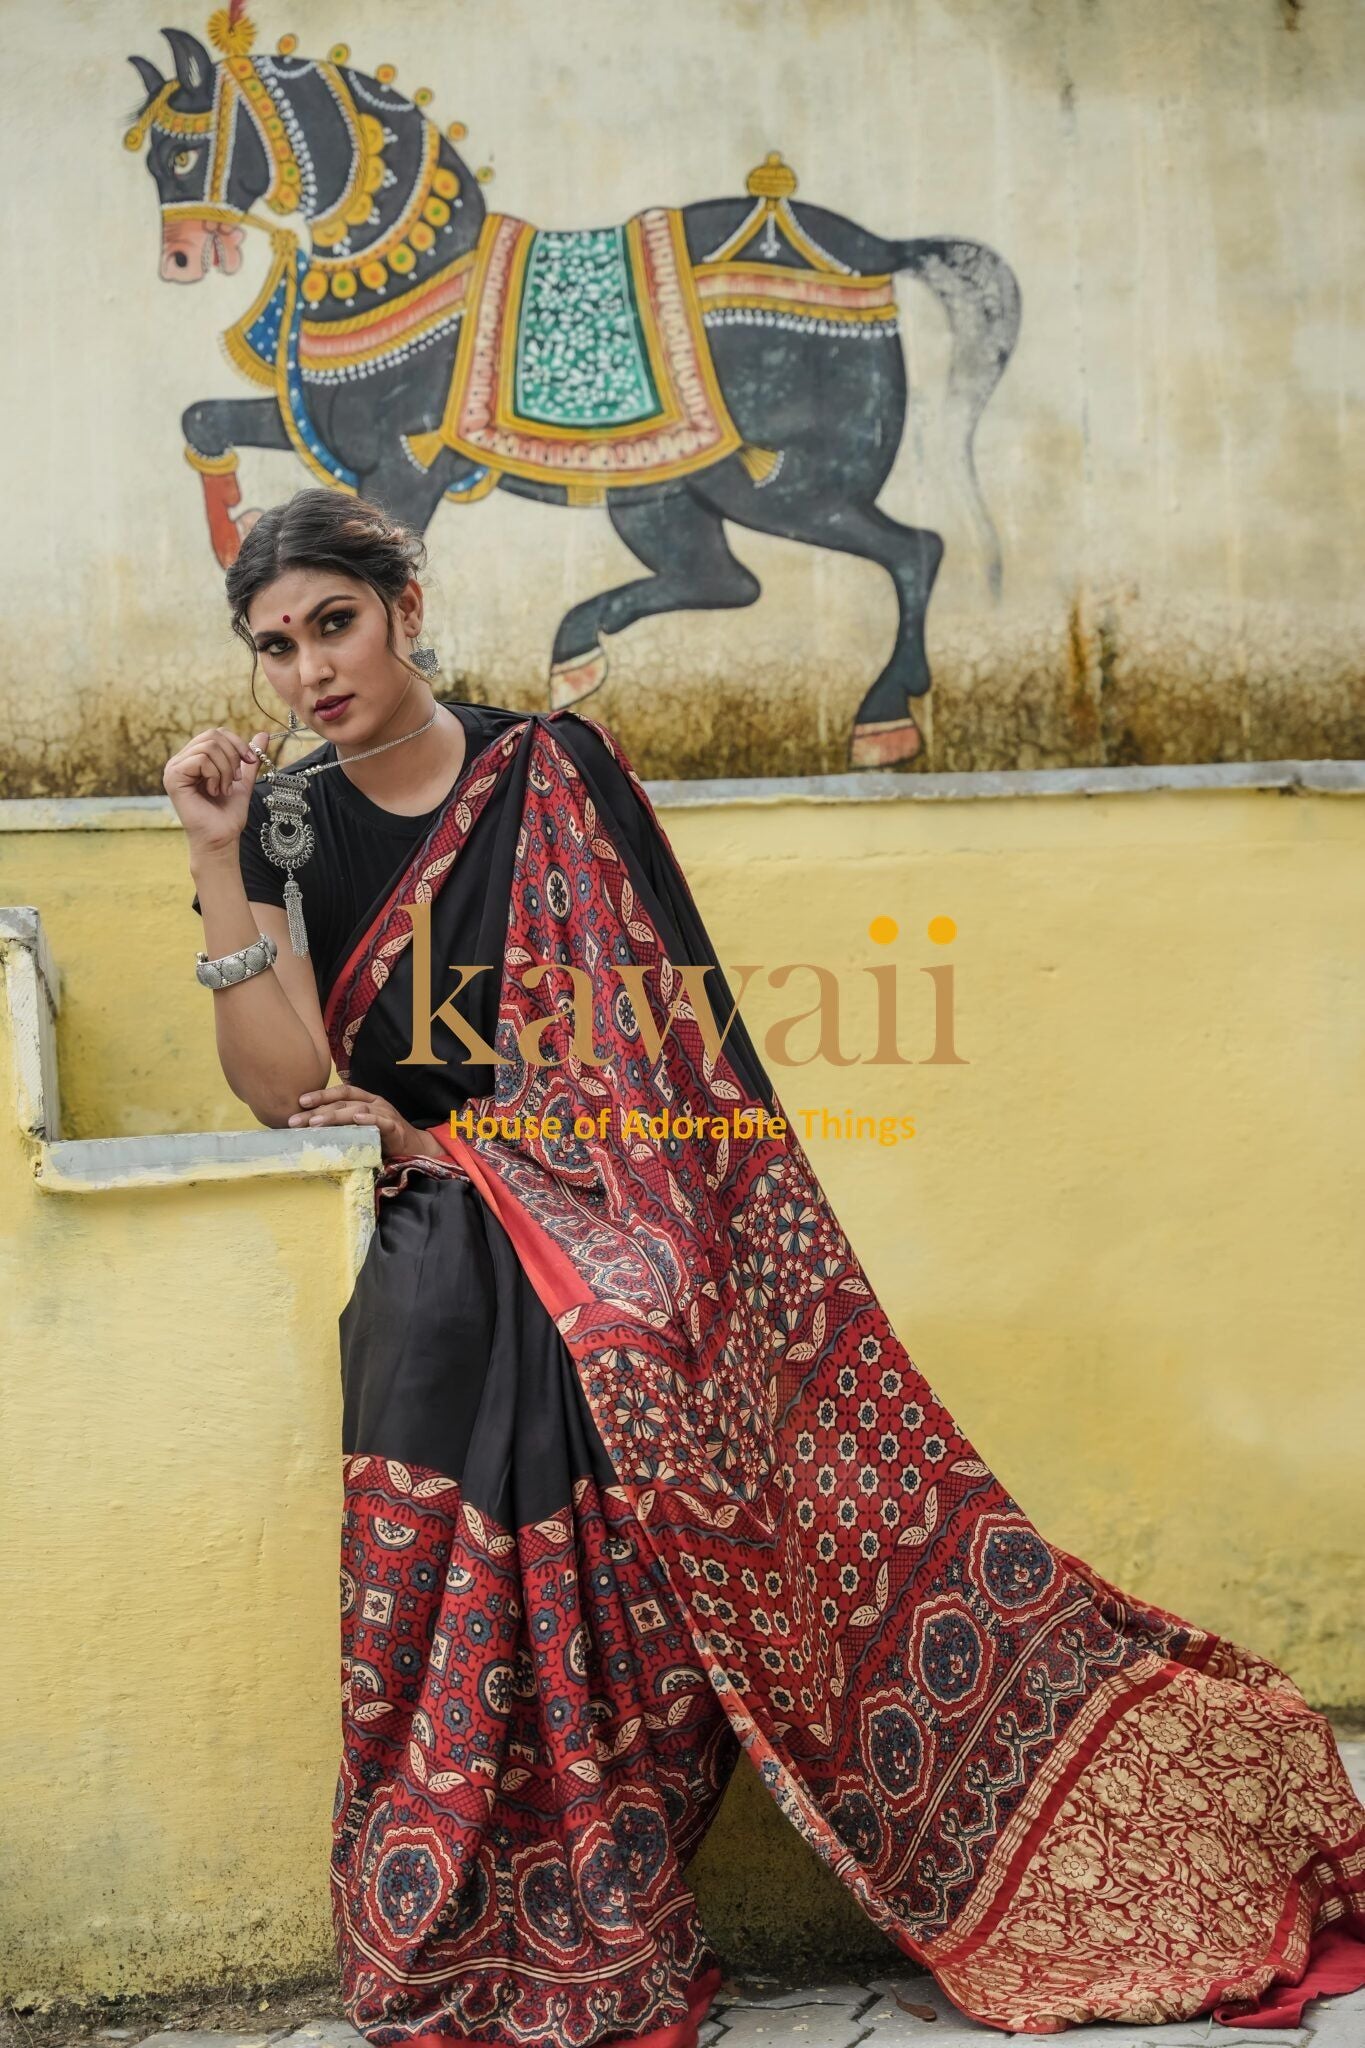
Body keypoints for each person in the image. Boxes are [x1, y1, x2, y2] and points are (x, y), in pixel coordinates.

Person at [166, 488, 1365, 2048]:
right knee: (451, 1328)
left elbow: (648, 1065)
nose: (309, 670)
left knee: (646, 1357)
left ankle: (635, 1904)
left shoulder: (550, 768)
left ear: (403, 601)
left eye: (334, 622)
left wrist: (467, 1151)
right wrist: (213, 860)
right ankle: (488, 1929)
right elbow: (284, 1087)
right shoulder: (290, 822)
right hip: (451, 1244)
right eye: (274, 647)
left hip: (624, 1219)